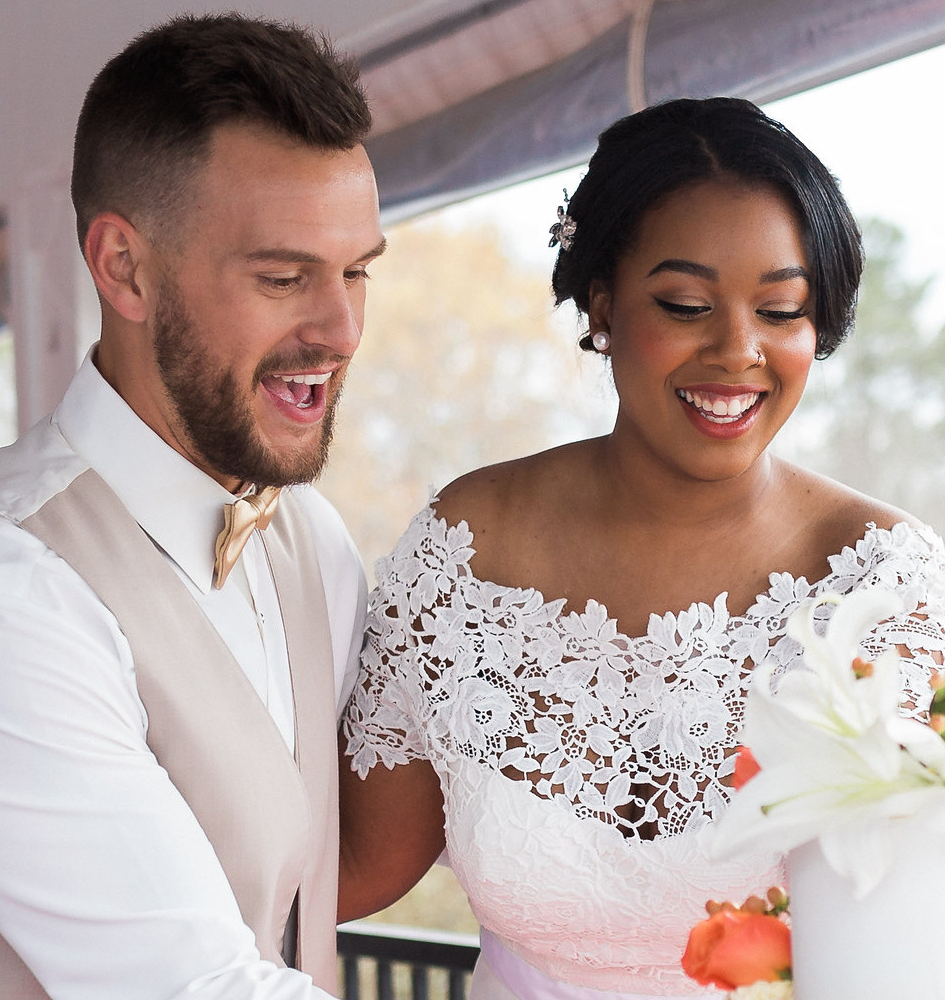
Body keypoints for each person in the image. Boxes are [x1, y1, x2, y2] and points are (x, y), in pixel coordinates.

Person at [339, 97, 945, 999]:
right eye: (687, 304)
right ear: (603, 305)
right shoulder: (467, 547)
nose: (739, 351)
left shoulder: (887, 581)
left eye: (782, 309)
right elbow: (358, 862)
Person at [0, 14, 384, 1000]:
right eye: (284, 277)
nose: (342, 329)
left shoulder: (311, 540)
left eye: (357, 270)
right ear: (124, 269)